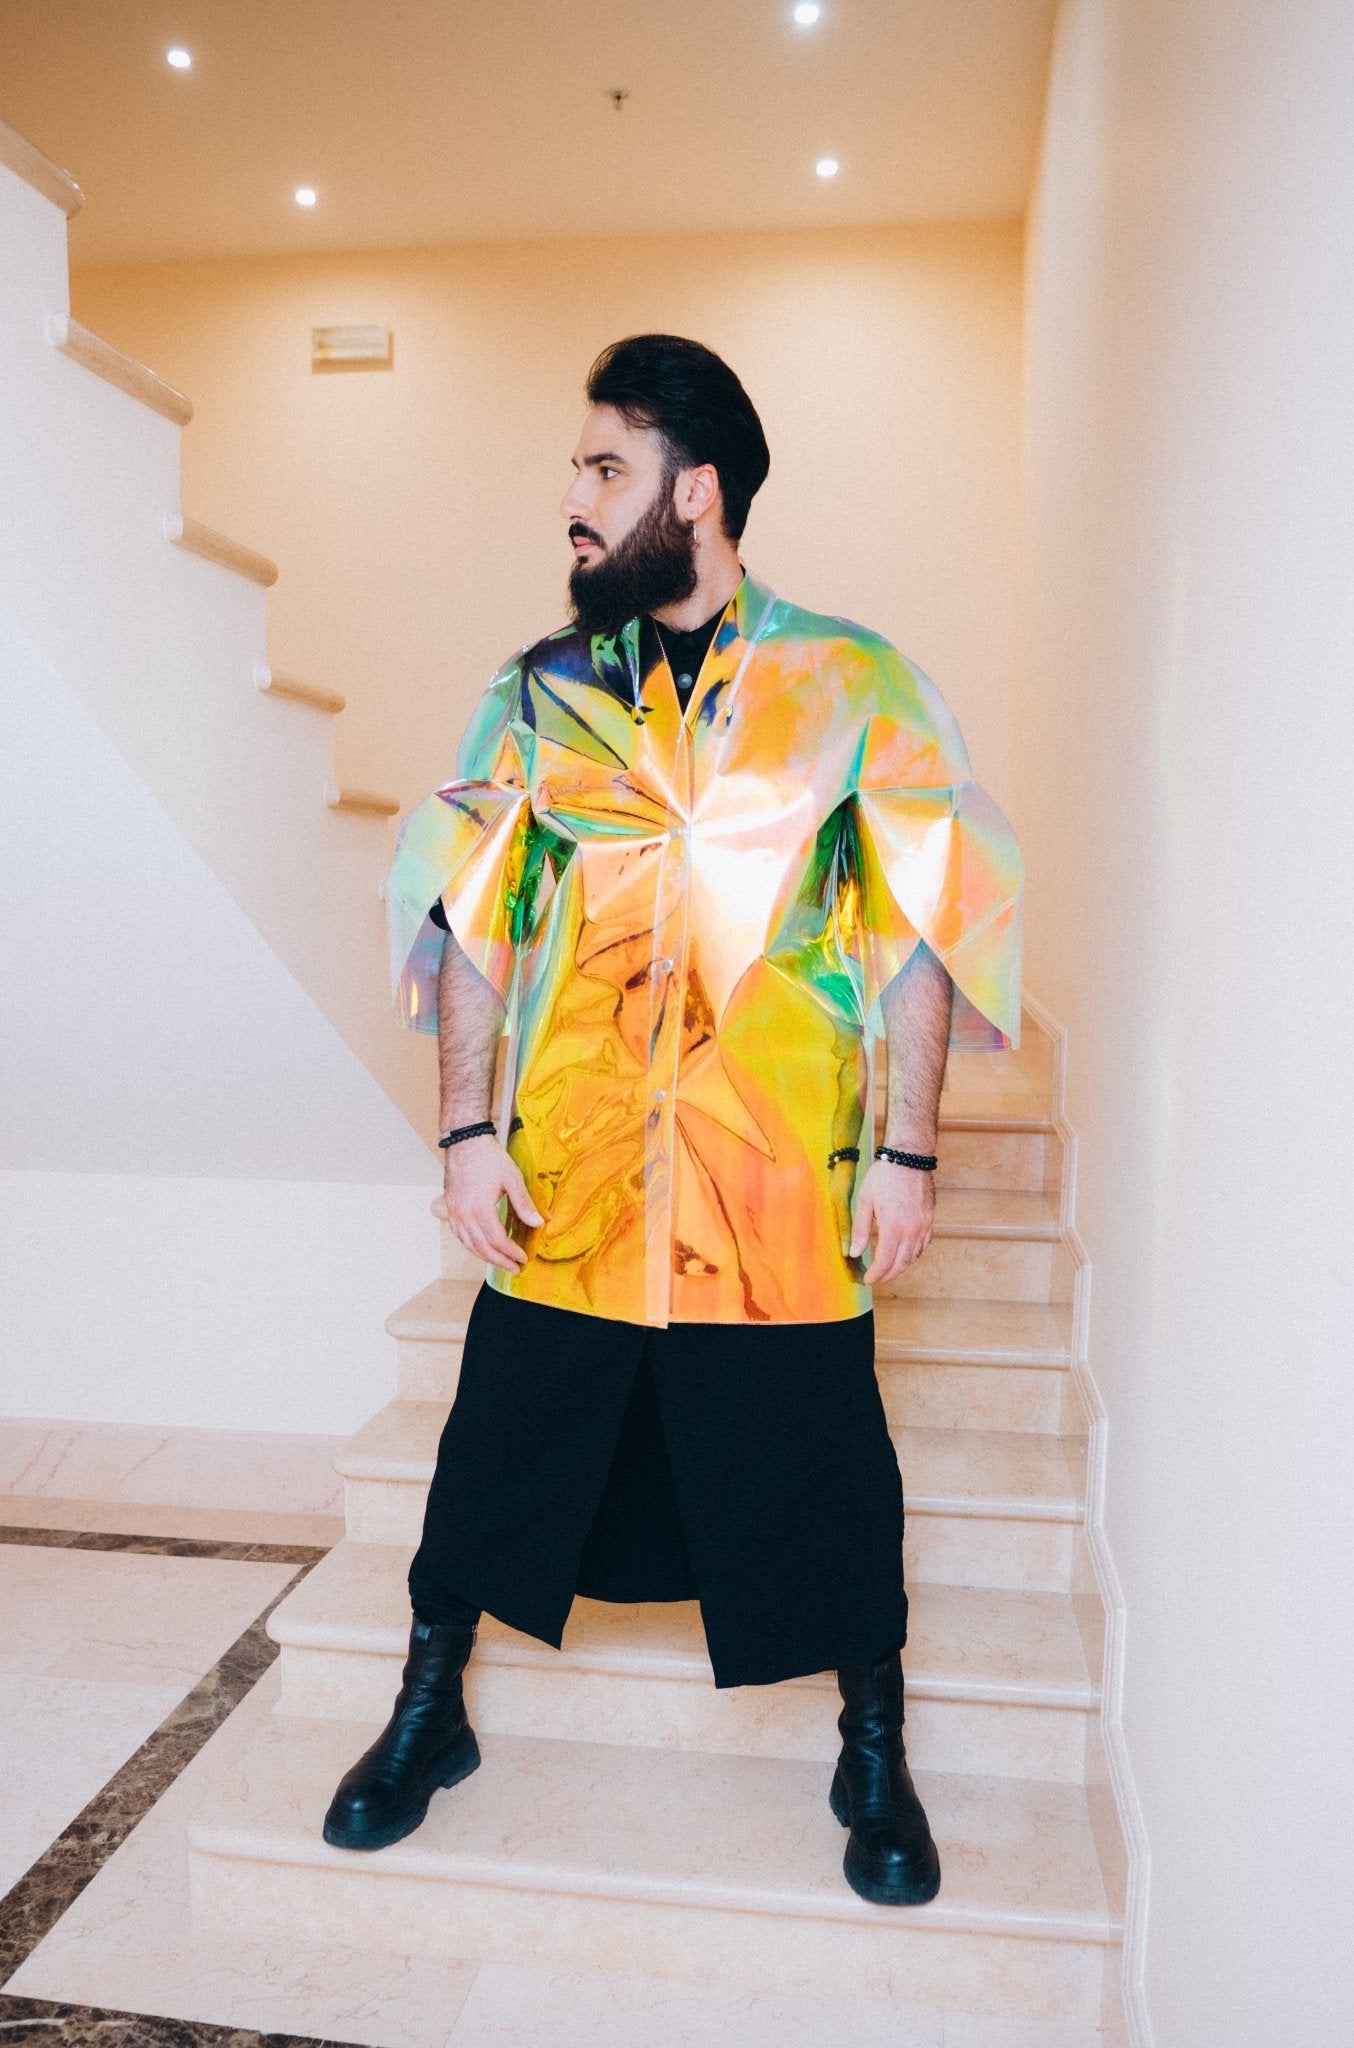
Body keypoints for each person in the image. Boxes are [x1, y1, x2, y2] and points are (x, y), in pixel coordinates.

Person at [321, 334, 1023, 1908]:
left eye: (604, 469)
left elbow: (918, 932)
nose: (573, 501)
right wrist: (463, 1131)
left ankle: (871, 1744)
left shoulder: (855, 686)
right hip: (570, 1161)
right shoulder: (543, 692)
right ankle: (429, 1712)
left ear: (693, 492)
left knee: (820, 1458)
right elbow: (478, 919)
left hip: (771, 1169)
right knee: (501, 1438)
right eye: (577, 469)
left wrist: (906, 1151)